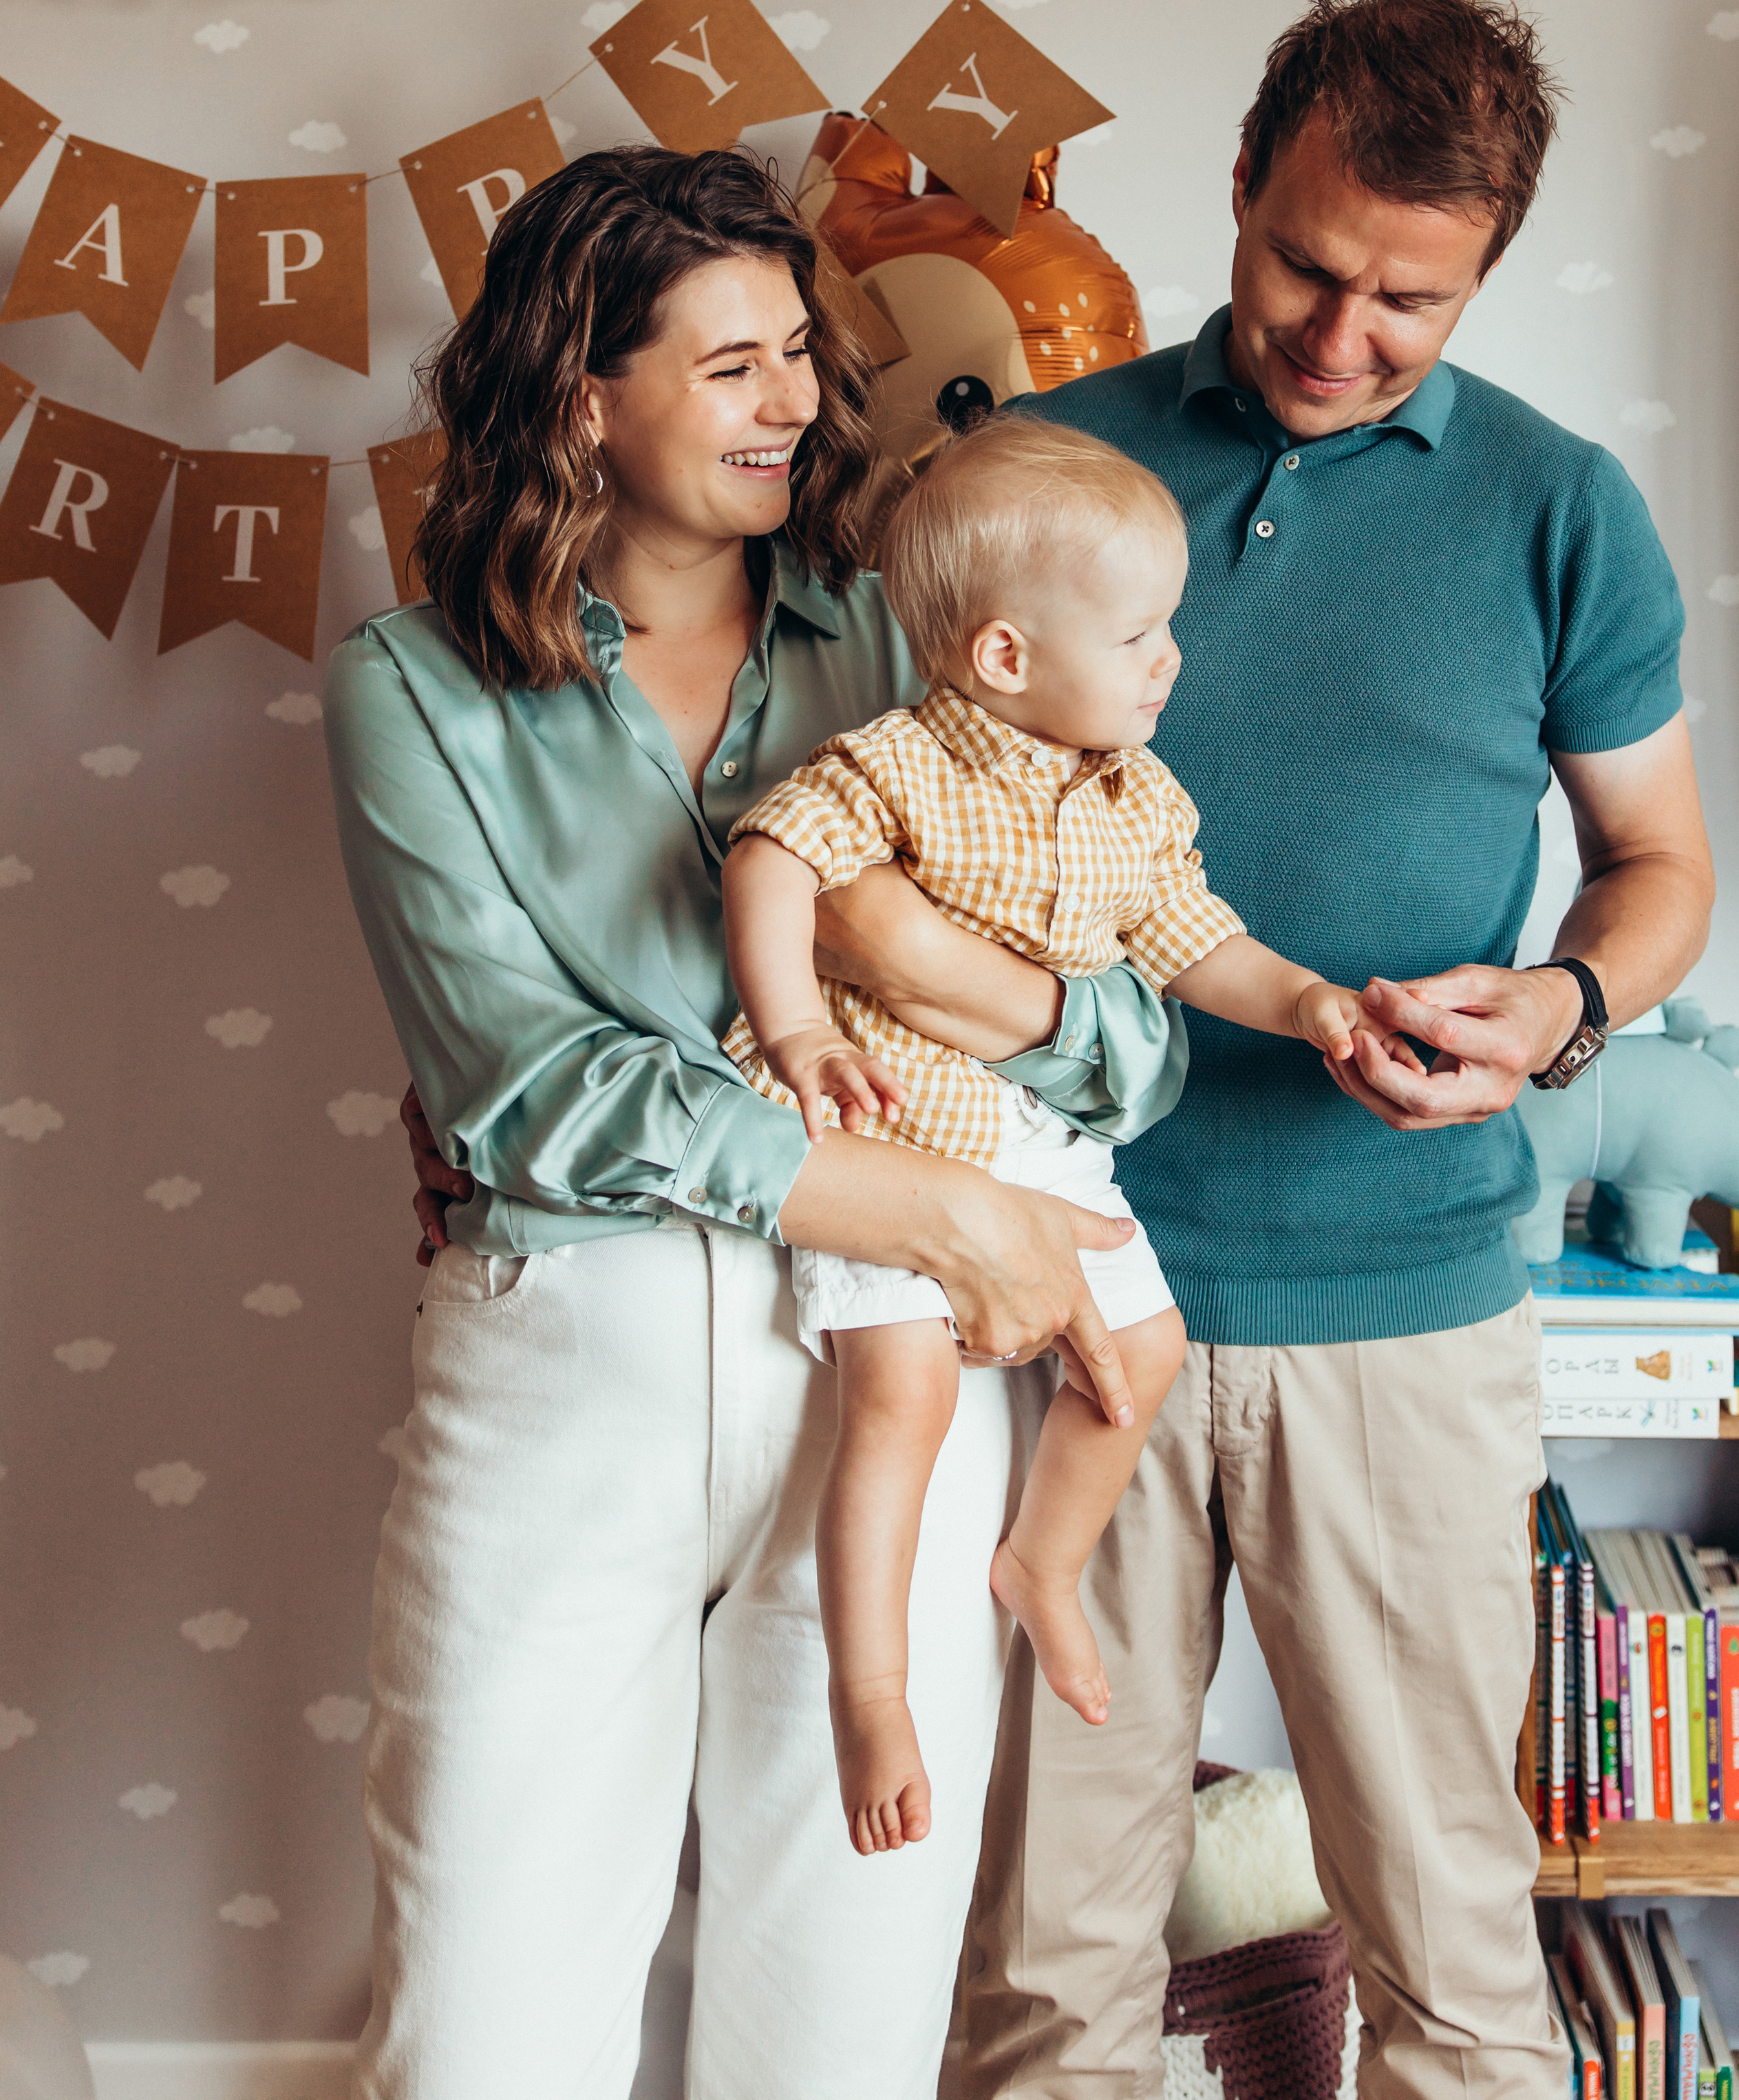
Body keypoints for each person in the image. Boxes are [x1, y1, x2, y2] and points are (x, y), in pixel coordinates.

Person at [324, 145, 1186, 2100]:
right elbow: (519, 1084)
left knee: (845, 2014)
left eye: (799, 350)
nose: (799, 398)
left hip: (897, 1380)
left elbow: (1136, 1036)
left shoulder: (911, 634)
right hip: (580, 1360)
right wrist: (928, 1201)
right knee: (484, 2022)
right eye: (733, 365)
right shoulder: (414, 690)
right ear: (580, 397)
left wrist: (960, 989)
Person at [955, 0, 1716, 2099]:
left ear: (1483, 277)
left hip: (1406, 1313)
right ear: (1239, 183)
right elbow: (903, 848)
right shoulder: (1048, 467)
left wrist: (1560, 1005)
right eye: (1306, 263)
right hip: (1068, 1295)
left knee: (1452, 1957)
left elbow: (1657, 861)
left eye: (1412, 301)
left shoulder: (1562, 511)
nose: (1341, 334)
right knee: (1043, 1964)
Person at [720, 417, 1364, 1857]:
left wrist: (1310, 1001)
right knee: (902, 1398)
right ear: (1003, 657)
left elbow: (1195, 945)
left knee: (1140, 1358)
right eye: (1139, 634)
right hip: (893, 1124)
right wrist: (795, 1032)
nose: (1168, 660)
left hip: (1036, 1133)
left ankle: (1040, 1564)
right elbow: (770, 861)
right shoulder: (894, 763)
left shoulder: (1137, 797)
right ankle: (869, 1690)